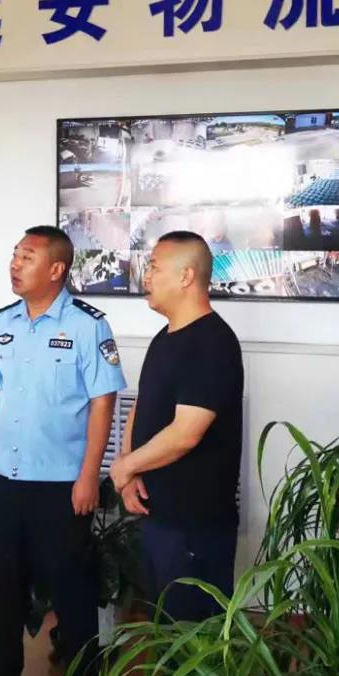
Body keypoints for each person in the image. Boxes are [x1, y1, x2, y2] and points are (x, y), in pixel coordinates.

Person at [0, 225, 126, 676]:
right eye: (14, 255)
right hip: (5, 478)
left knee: (72, 594)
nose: (15, 264)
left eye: (27, 257)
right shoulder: (3, 323)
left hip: (61, 485)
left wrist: (89, 476)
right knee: (4, 587)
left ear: (56, 269)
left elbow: (103, 404)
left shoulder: (88, 326)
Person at [109, 231, 243, 622]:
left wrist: (126, 467)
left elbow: (186, 433)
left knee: (192, 636)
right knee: (164, 626)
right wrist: (129, 467)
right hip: (158, 515)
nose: (146, 276)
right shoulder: (165, 337)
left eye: (153, 267)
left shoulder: (212, 343)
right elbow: (142, 406)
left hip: (195, 523)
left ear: (186, 276)